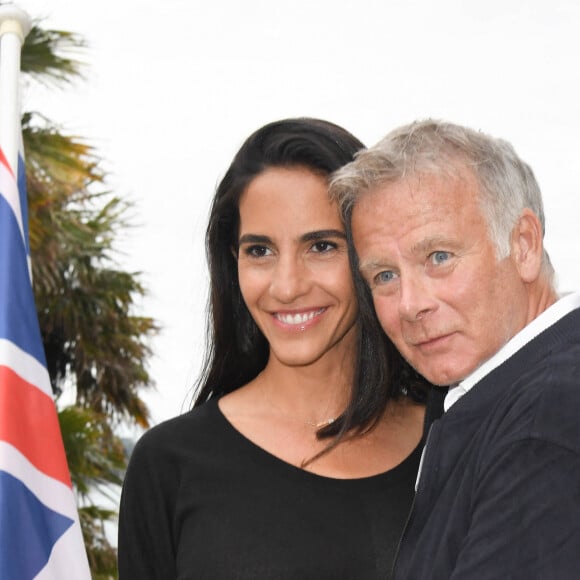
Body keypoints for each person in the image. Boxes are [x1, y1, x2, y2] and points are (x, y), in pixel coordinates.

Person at [118, 118, 429, 579]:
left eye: (321, 246)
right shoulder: (170, 465)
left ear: (371, 254)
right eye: (260, 251)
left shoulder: (452, 439)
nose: (286, 287)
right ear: (233, 262)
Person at [329, 119, 580, 579]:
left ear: (523, 244)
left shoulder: (545, 421)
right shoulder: (500, 399)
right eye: (384, 276)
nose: (411, 305)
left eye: (438, 258)